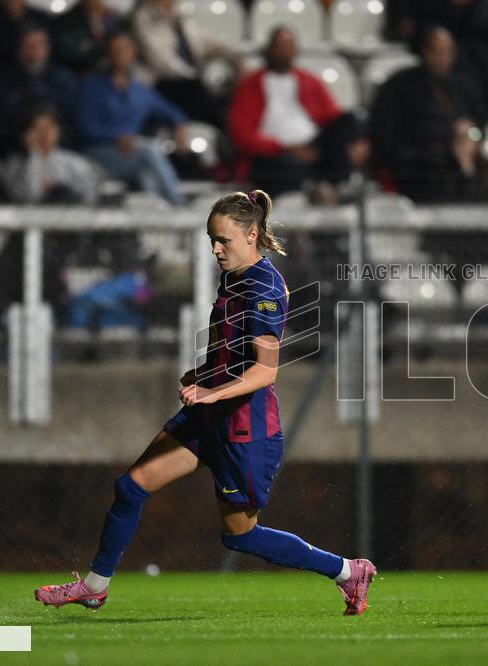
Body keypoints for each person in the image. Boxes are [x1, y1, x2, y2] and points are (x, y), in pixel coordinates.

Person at [34, 190, 376, 616]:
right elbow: (234, 353)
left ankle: (347, 571)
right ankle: (94, 587)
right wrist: (204, 374)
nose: (215, 249)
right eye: (211, 239)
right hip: (208, 415)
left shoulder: (265, 287)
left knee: (240, 537)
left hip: (243, 427)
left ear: (252, 235)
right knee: (130, 487)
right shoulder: (233, 275)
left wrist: (211, 391)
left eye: (223, 241)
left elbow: (265, 371)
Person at [228, 26, 366, 198]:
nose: (284, 51)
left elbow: (333, 117)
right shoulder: (249, 86)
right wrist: (283, 147)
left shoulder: (310, 81)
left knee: (348, 121)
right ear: (269, 49)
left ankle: (335, 185)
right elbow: (241, 135)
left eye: (289, 46)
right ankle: (316, 187)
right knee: (277, 170)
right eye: (280, 46)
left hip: (313, 148)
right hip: (273, 155)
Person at [370, 26, 488, 201]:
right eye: (436, 52)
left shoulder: (463, 87)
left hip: (460, 162)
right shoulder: (400, 86)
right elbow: (385, 131)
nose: (441, 59)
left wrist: (470, 136)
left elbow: (479, 128)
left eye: (446, 52)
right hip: (417, 167)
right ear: (424, 51)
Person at [74, 31, 188, 206]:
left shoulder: (139, 90)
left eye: (124, 49)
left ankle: (159, 221)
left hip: (131, 154)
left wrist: (179, 124)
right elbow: (85, 126)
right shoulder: (92, 85)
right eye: (115, 50)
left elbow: (169, 110)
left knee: (146, 173)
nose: (120, 54)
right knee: (149, 151)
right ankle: (180, 206)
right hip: (100, 152)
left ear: (133, 53)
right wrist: (116, 137)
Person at [131, 0, 240, 128]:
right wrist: (193, 75)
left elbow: (205, 42)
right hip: (165, 83)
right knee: (206, 103)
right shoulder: (144, 19)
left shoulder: (177, 15)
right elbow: (161, 61)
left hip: (191, 80)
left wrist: (236, 58)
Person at [0, 24, 78, 155]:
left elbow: (70, 117)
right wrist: (26, 135)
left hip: (59, 146)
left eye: (39, 44)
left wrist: (48, 134)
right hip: (15, 147)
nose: (35, 50)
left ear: (47, 48)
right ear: (19, 49)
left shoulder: (63, 79)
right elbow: (0, 119)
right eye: (29, 45)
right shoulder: (3, 80)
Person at [2, 106, 99, 204]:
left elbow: (90, 198)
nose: (44, 133)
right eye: (37, 128)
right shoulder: (14, 164)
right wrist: (34, 155)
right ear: (26, 133)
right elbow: (27, 197)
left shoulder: (75, 162)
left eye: (49, 127)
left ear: (59, 131)